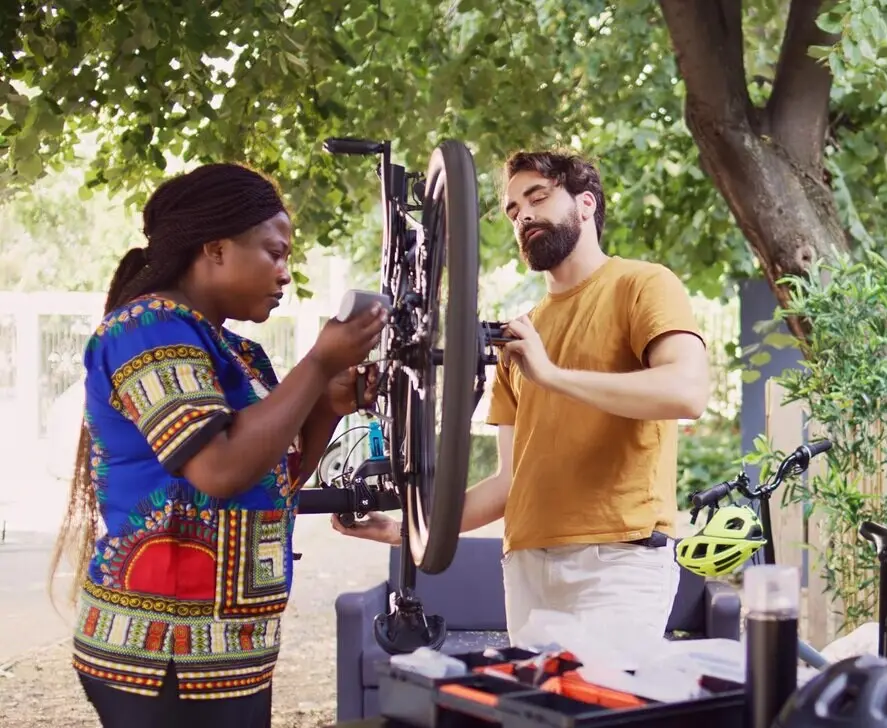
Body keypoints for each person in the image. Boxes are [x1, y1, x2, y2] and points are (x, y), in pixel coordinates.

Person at [47, 162, 389, 728]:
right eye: (274, 253)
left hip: (232, 650)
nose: (284, 273)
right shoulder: (145, 329)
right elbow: (220, 469)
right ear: (216, 249)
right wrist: (319, 362)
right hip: (162, 652)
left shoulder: (241, 354)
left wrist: (327, 402)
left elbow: (272, 478)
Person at [337, 149, 710, 646]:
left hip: (617, 560)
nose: (524, 215)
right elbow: (511, 482)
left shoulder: (642, 284)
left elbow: (687, 392)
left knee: (603, 712)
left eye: (537, 197)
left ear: (585, 204)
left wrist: (551, 373)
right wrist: (403, 528)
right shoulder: (523, 333)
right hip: (527, 566)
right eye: (514, 211)